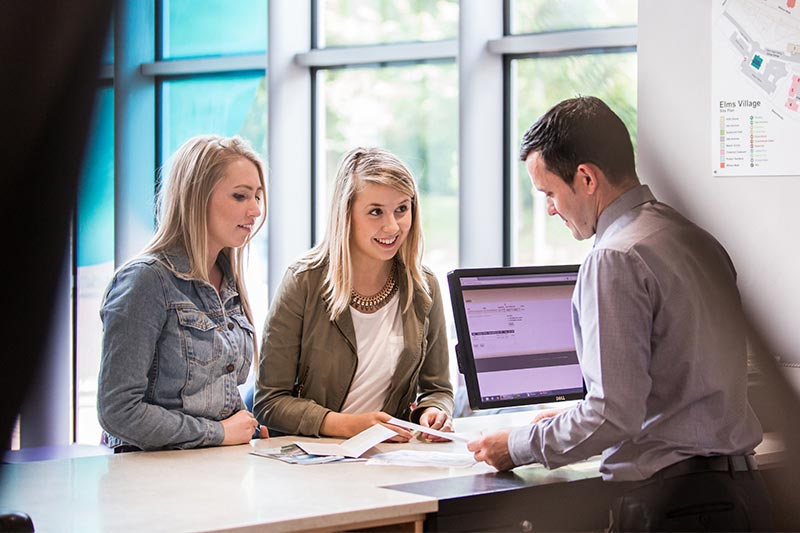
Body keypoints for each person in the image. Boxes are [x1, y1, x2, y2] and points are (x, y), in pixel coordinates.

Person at [467, 96, 773, 531]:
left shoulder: (614, 257)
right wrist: (567, 419)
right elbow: (677, 383)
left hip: (676, 509)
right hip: (743, 497)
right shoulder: (696, 238)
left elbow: (613, 414)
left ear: (586, 178)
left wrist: (515, 445)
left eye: (549, 193)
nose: (550, 209)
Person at [255, 147, 453, 441]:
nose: (392, 226)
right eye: (375, 212)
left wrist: (433, 412)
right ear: (346, 214)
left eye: (402, 209)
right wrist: (347, 426)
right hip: (313, 460)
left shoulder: (423, 287)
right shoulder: (303, 282)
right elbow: (269, 402)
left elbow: (437, 390)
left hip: (389, 456)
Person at [97, 134, 270, 451]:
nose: (255, 210)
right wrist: (219, 433)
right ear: (197, 198)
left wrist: (244, 425)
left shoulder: (231, 284)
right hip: (149, 479)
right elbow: (118, 411)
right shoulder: (146, 281)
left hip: (214, 472)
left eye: (258, 196)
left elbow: (214, 393)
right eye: (240, 196)